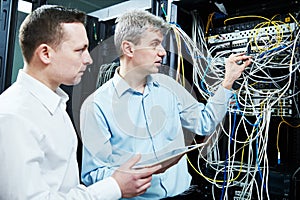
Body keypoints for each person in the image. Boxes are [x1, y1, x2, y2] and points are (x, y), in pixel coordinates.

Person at [80, 9, 252, 199]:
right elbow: (92, 176)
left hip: (184, 194)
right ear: (129, 49)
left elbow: (204, 123)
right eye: (154, 45)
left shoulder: (169, 87)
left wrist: (228, 81)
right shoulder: (97, 105)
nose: (162, 52)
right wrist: (128, 177)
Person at [0, 5, 161, 200]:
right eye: (80, 50)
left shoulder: (56, 105)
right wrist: (115, 186)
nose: (88, 59)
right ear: (45, 54)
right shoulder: (13, 117)